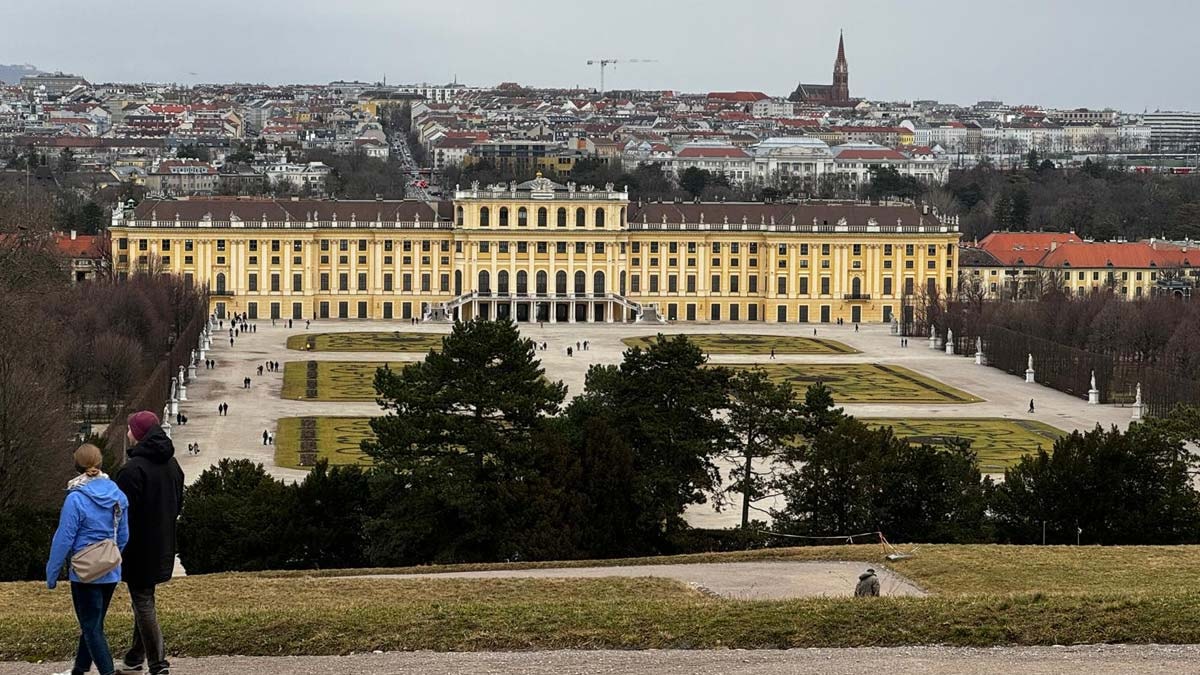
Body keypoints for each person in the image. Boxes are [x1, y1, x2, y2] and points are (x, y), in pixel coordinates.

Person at [46, 443, 130, 675]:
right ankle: (80, 669)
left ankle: (107, 672)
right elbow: (123, 535)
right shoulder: (117, 495)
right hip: (110, 569)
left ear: (77, 466)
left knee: (91, 627)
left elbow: (63, 539)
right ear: (100, 463)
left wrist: (52, 573)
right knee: (94, 624)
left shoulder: (75, 498)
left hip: (84, 571)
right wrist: (111, 557)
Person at [115, 411, 185, 675]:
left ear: (140, 435)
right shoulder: (172, 464)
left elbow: (120, 515)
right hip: (164, 542)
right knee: (144, 600)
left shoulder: (132, 470)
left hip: (138, 546)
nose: (128, 433)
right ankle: (134, 658)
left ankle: (158, 664)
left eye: (131, 429)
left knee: (142, 600)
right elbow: (179, 503)